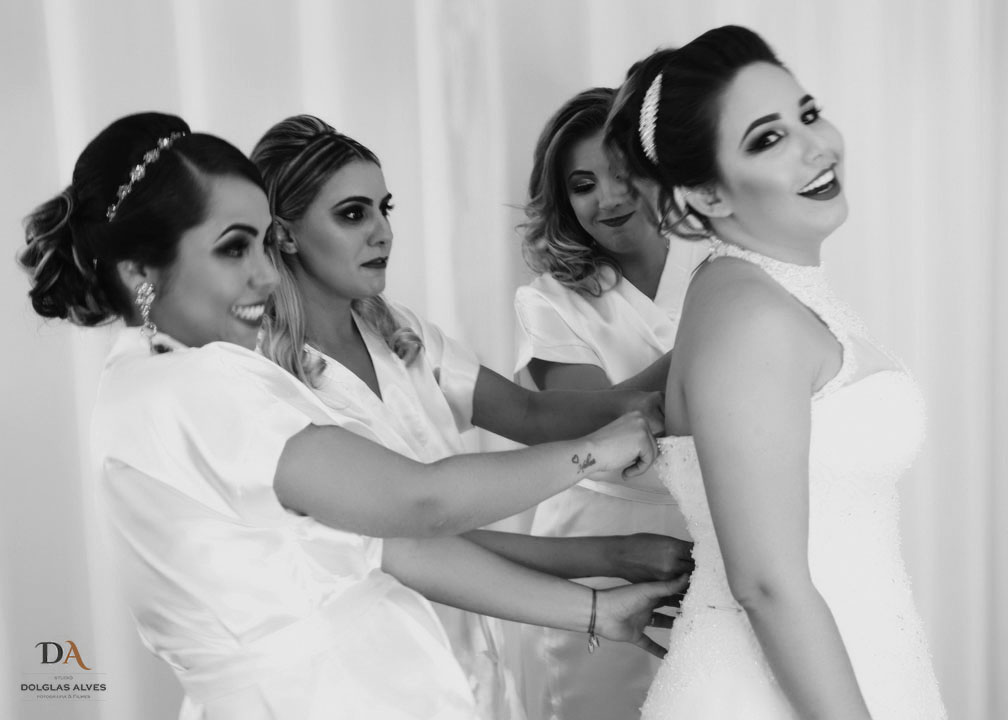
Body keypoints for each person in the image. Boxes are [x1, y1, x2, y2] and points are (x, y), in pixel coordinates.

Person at [16, 112, 687, 720]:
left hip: (416, 678)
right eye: (234, 248)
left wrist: (597, 608)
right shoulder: (197, 386)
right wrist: (594, 460)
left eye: (260, 244)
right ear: (142, 271)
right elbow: (420, 505)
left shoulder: (179, 374)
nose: (266, 274)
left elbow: (392, 546)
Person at [249, 114, 694, 719]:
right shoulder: (268, 381)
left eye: (384, 208)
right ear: (285, 235)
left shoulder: (398, 332)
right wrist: (609, 552)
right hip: (355, 668)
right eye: (353, 214)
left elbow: (530, 413)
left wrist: (674, 381)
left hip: (465, 646)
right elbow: (420, 528)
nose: (383, 232)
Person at [605, 25, 947, 719]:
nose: (815, 147)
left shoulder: (767, 293)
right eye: (768, 138)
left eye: (808, 114)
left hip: (855, 664)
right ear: (707, 193)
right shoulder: (748, 316)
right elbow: (765, 583)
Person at [512, 87, 708, 720]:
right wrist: (714, 334)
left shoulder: (716, 263)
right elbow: (602, 425)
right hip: (599, 541)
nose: (608, 198)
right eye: (583, 184)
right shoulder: (551, 300)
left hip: (717, 529)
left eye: (625, 174)